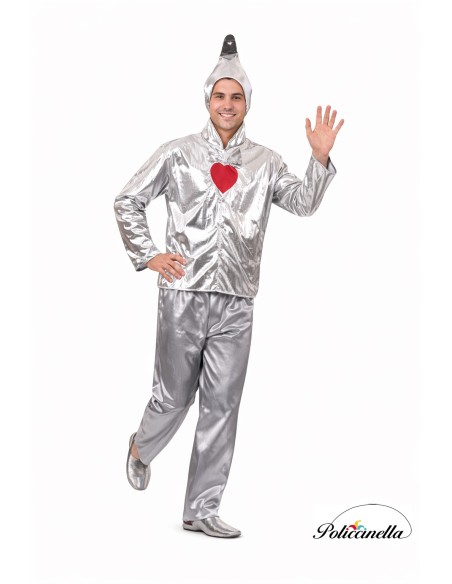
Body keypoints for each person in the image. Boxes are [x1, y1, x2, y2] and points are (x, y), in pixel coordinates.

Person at [114, 34, 344, 539]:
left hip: (237, 303)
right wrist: (149, 254)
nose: (227, 104)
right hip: (183, 295)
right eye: (219, 95)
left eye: (236, 96)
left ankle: (201, 508)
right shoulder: (177, 153)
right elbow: (128, 200)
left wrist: (319, 160)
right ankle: (140, 447)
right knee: (172, 399)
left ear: (247, 103)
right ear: (207, 100)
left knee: (222, 406)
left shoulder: (266, 162)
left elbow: (303, 203)